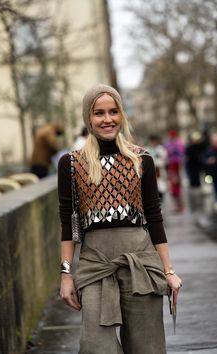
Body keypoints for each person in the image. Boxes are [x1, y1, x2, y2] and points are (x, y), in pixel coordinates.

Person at [58, 84, 182, 354]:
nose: (107, 119)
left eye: (114, 111)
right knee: (95, 347)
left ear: (122, 114)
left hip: (140, 263)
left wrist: (168, 271)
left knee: (146, 347)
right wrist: (66, 275)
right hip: (95, 265)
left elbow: (154, 216)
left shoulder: (142, 159)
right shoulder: (71, 164)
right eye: (99, 113)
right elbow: (68, 225)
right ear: (88, 118)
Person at [164, 130, 185, 212]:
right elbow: (166, 152)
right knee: (174, 182)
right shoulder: (168, 143)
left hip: (177, 163)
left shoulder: (178, 142)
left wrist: (175, 150)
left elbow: (181, 152)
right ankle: (178, 205)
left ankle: (180, 205)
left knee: (177, 183)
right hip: (171, 163)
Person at [146, 134, 168, 201]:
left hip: (159, 170)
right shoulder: (147, 149)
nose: (153, 142)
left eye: (154, 141)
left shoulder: (160, 149)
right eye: (152, 141)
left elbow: (164, 159)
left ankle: (161, 199)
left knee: (161, 185)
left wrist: (158, 163)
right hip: (151, 170)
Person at [203, 132, 217, 211]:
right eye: (214, 141)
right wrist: (208, 161)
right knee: (215, 186)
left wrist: (215, 160)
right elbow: (204, 159)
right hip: (213, 172)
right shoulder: (209, 149)